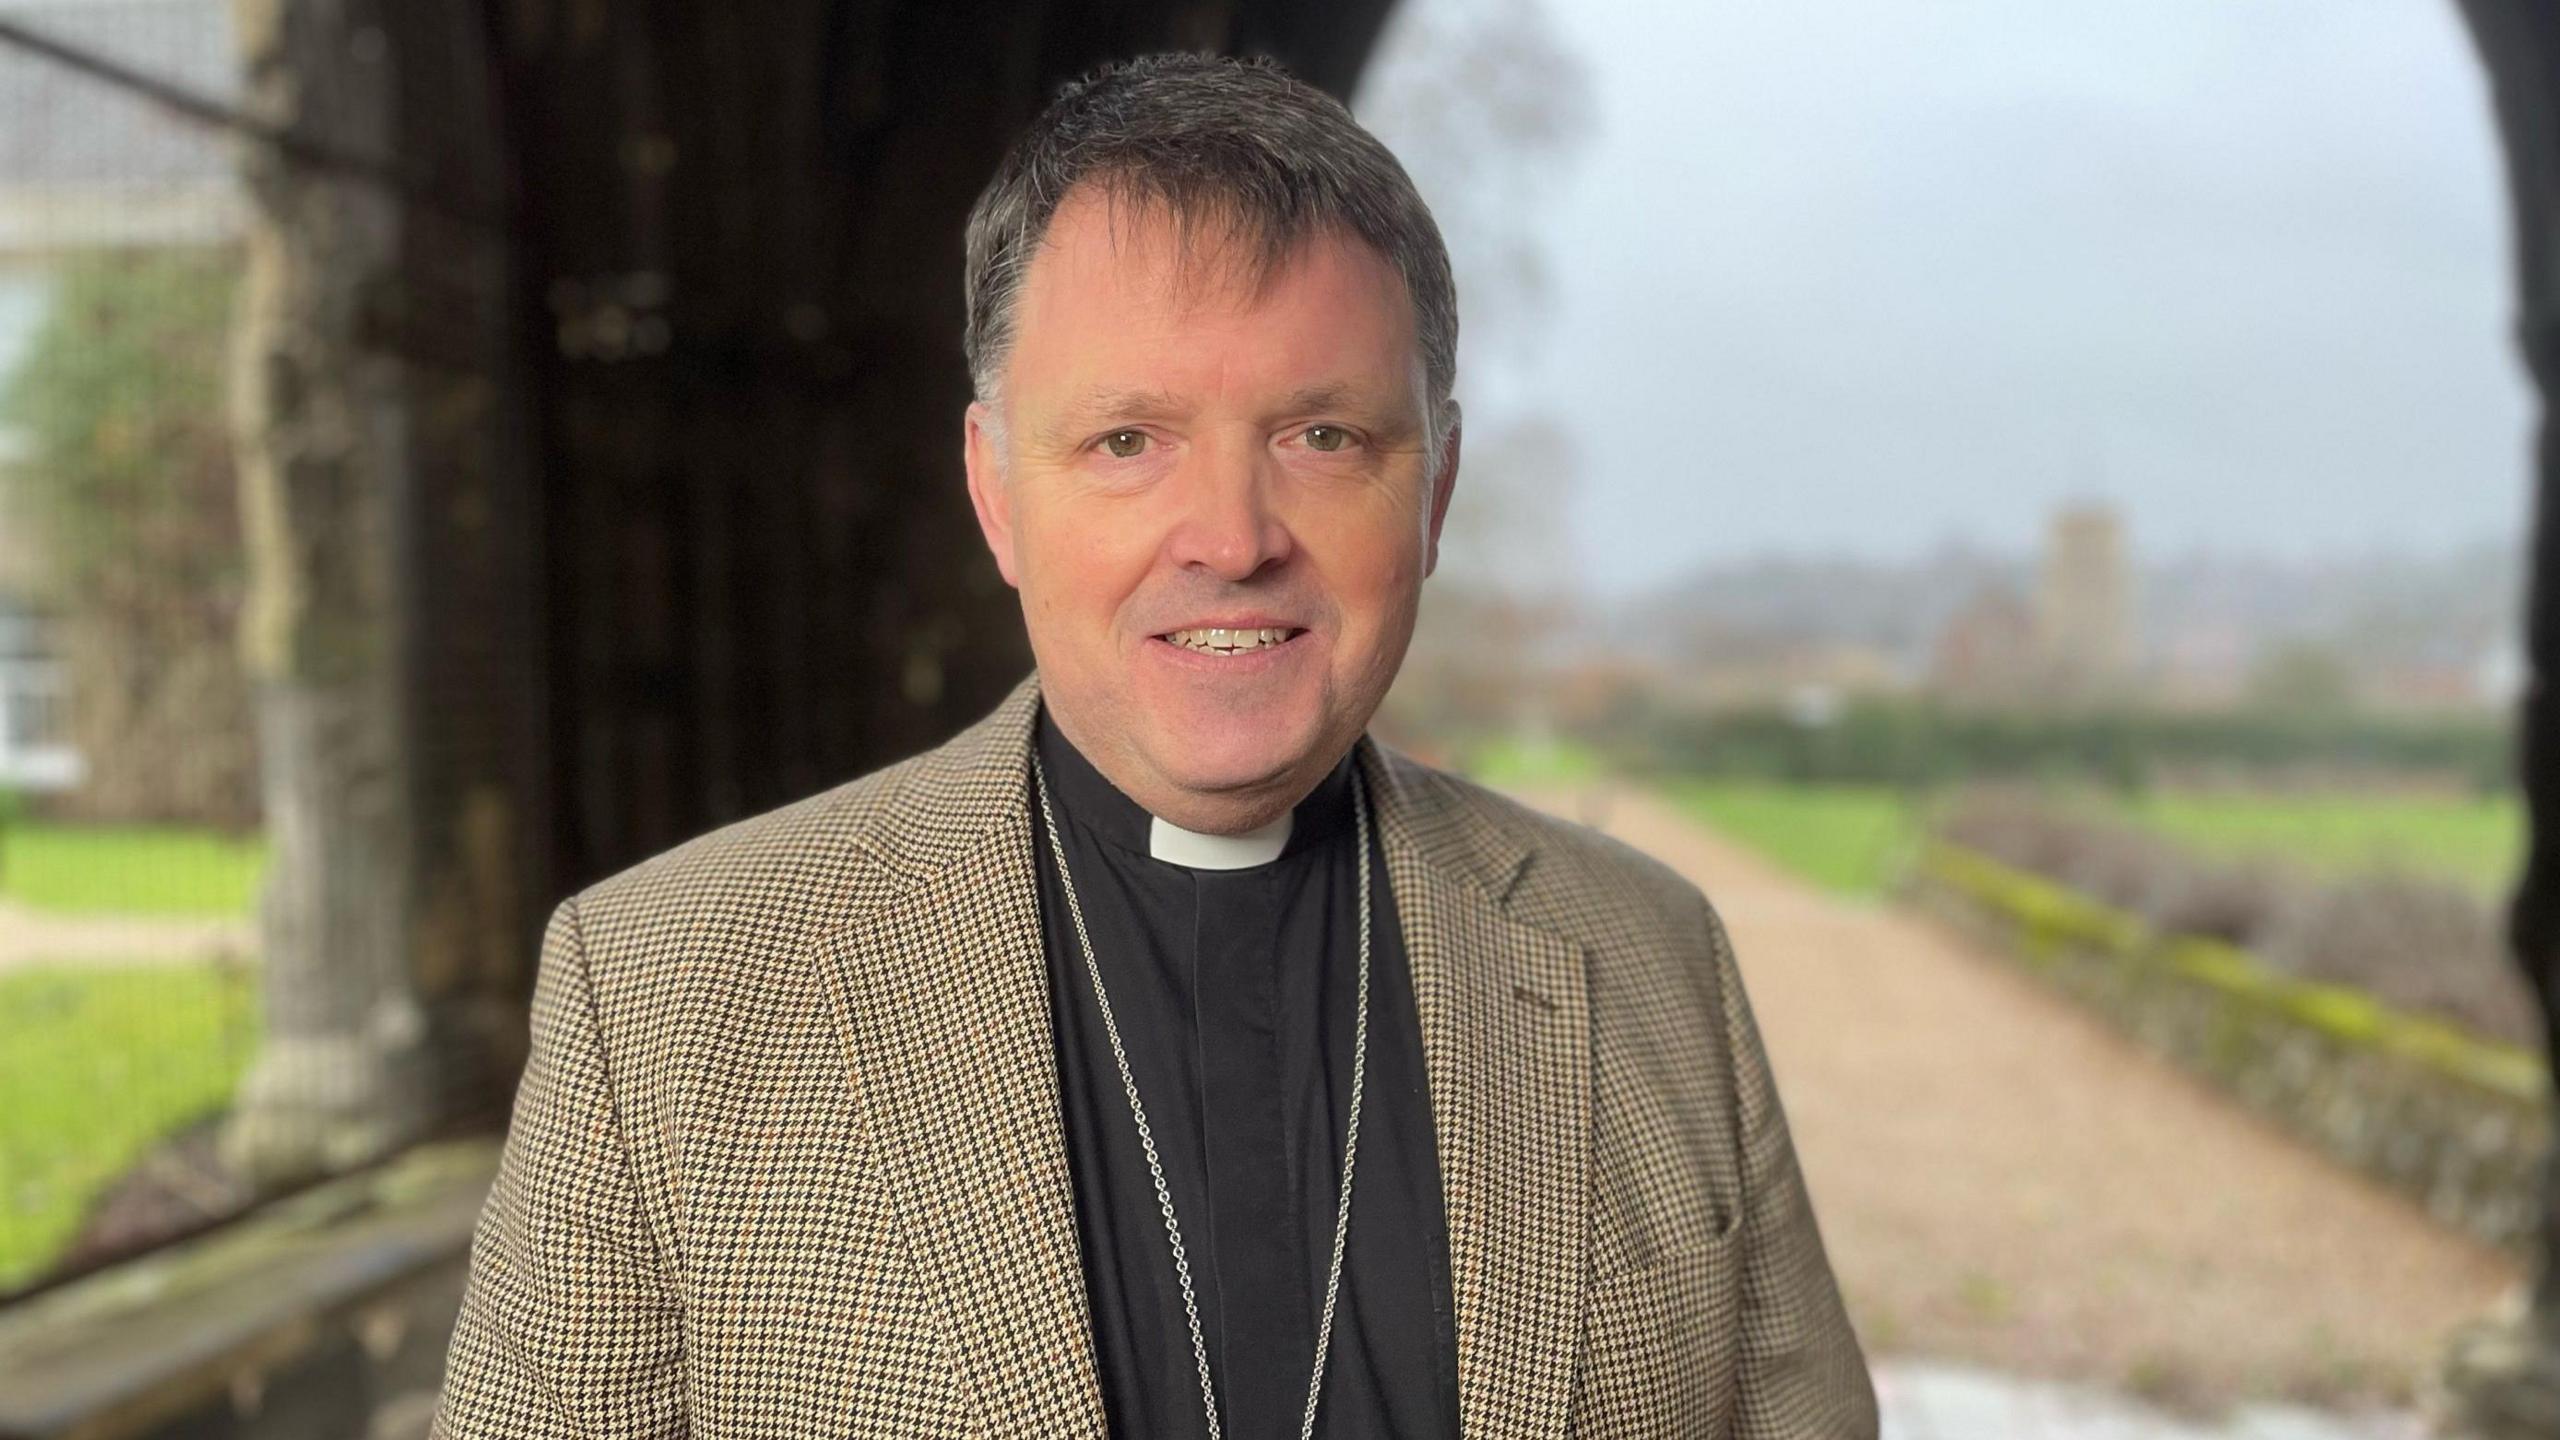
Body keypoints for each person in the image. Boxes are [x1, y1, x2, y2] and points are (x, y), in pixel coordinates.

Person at [432, 50, 1876, 1440]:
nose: (1234, 540)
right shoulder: (662, 997)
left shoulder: (1651, 963)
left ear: (1432, 491)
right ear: (997, 495)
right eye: (1130, 440)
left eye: (1324, 438)